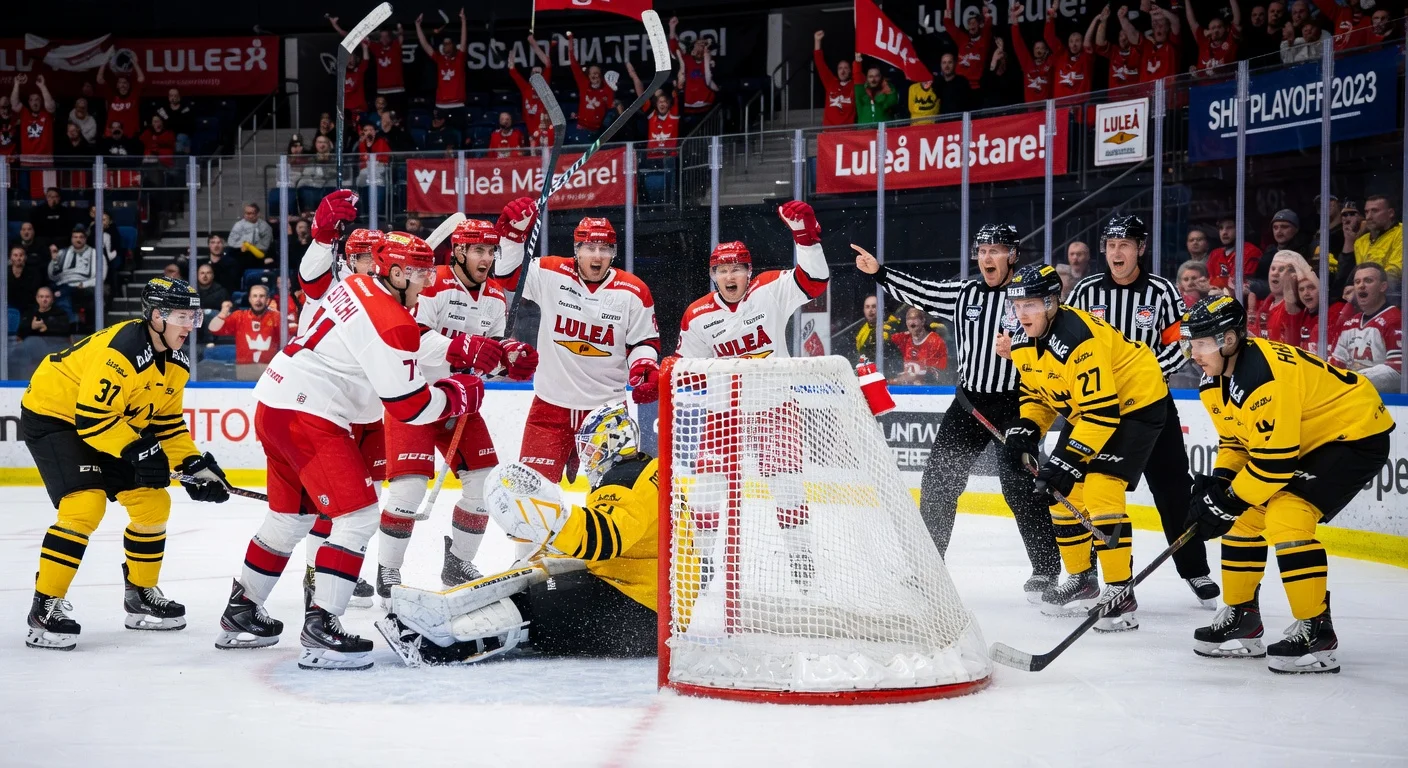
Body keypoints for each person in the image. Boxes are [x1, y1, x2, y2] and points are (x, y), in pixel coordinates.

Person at [217, 219, 486, 671]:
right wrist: (458, 394)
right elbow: (411, 406)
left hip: (276, 403)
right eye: (421, 274)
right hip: (310, 415)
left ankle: (241, 610)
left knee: (289, 518)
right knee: (357, 517)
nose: (428, 282)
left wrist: (460, 349)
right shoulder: (391, 320)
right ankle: (321, 629)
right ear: (396, 274)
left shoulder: (359, 285)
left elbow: (402, 339)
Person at [1181, 296, 1392, 673]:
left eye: (1200, 343)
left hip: (1353, 432)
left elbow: (1273, 466)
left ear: (1228, 340)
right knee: (1243, 519)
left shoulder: (1262, 378)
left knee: (1287, 514)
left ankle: (1317, 632)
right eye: (1190, 343)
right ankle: (1243, 619)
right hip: (1307, 439)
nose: (1193, 353)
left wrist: (1225, 502)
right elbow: (1236, 443)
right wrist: (1221, 485)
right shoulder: (1213, 380)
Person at [21, 277, 229, 651]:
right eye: (182, 317)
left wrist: (195, 465)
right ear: (156, 316)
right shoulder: (123, 351)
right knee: (85, 505)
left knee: (153, 503)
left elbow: (167, 424)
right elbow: (91, 421)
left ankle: (140, 595)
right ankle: (44, 607)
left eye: (194, 317)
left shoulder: (176, 361)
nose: (190, 326)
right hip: (56, 415)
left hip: (110, 422)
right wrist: (140, 451)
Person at [857, 224, 1060, 600]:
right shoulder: (966, 293)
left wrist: (1019, 349)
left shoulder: (1029, 297)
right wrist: (880, 272)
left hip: (1017, 404)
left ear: (1013, 255)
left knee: (1020, 487)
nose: (987, 258)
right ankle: (927, 569)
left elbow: (1053, 343)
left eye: (995, 250)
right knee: (938, 482)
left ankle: (1046, 570)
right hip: (969, 404)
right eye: (982, 251)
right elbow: (923, 291)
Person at [377, 404, 659, 665]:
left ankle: (441, 647)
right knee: (537, 571)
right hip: (646, 598)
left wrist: (555, 522)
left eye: (593, 448)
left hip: (637, 614)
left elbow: (603, 540)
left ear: (615, 442)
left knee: (535, 600)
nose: (588, 456)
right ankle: (445, 613)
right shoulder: (644, 470)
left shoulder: (625, 482)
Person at [374, 201, 542, 602]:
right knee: (409, 491)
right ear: (460, 251)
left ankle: (458, 561)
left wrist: (509, 359)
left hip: (460, 405)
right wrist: (462, 347)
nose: (487, 259)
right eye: (479, 250)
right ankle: (388, 569)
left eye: (492, 251)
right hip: (414, 398)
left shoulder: (496, 297)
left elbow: (488, 356)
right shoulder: (431, 284)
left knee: (484, 487)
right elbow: (411, 338)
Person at [1002, 263, 1171, 630]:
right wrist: (1027, 428)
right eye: (1016, 305)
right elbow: (1036, 393)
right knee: (1063, 492)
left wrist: (1065, 462)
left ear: (1051, 302)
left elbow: (1103, 415)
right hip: (1091, 411)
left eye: (1030, 305)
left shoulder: (1078, 339)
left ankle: (1121, 591)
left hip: (1135, 404)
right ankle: (1082, 579)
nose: (1021, 314)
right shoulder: (1022, 339)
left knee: (1099, 488)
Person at [674, 203, 830, 587]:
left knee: (787, 486)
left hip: (774, 405)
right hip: (722, 412)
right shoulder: (697, 314)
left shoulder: (770, 289)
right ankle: (702, 561)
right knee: (706, 491)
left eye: (737, 269)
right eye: (722, 270)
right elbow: (685, 367)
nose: (730, 276)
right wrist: (663, 373)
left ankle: (800, 556)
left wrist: (805, 238)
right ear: (713, 275)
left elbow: (815, 281)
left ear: (749, 271)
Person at [1067, 215, 1218, 607]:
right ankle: (1087, 575)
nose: (1116, 252)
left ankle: (1195, 569)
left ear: (1141, 248)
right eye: (1111, 245)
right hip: (1097, 406)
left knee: (1173, 488)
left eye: (1125, 245)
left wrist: (1143, 375)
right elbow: (1064, 341)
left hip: (1152, 405)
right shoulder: (1085, 291)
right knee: (1084, 490)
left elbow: (1182, 343)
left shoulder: (1161, 291)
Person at [494, 216, 660, 485]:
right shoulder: (550, 271)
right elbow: (507, 276)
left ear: (613, 253)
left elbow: (643, 342)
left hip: (607, 412)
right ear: (577, 250)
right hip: (549, 408)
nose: (597, 255)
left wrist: (644, 366)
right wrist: (512, 237)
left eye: (604, 248)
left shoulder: (634, 291)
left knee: (616, 494)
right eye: (589, 248)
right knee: (531, 491)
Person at [1329, 262, 1402, 392]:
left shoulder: (1395, 320)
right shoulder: (1350, 324)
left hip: (1384, 400)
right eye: (1357, 282)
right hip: (1353, 395)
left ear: (1383, 287)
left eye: (1368, 281)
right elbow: (1336, 363)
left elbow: (1397, 371)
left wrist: (1353, 379)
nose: (1361, 285)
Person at [208, 285, 282, 380]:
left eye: (261, 296)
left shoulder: (276, 317)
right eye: (255, 296)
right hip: (244, 370)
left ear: (267, 300)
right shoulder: (239, 316)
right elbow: (213, 329)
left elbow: (288, 338)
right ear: (250, 299)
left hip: (269, 372)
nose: (258, 299)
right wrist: (223, 313)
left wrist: (280, 316)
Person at [565, 30, 617, 138]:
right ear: (588, 75)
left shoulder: (607, 87)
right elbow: (573, 63)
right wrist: (570, 41)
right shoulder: (583, 83)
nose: (595, 76)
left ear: (601, 75)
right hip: (581, 130)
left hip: (597, 132)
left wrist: (612, 95)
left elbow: (610, 106)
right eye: (592, 73)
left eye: (597, 73)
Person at [416, 9, 468, 111]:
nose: (445, 45)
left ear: (453, 46)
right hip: (441, 104)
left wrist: (463, 20)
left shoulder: (459, 58)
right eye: (444, 44)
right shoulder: (440, 59)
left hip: (457, 104)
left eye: (448, 43)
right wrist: (417, 25)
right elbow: (425, 45)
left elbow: (463, 41)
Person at [48, 226, 98, 331]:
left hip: (83, 285)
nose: (78, 239)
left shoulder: (94, 253)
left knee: (65, 295)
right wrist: (54, 260)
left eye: (81, 237)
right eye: (75, 237)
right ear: (71, 239)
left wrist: (84, 284)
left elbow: (99, 277)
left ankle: (73, 325)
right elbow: (53, 276)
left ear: (85, 239)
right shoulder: (62, 253)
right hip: (63, 284)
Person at [669, 16, 719, 116]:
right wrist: (672, 27)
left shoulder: (710, 60)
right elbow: (674, 48)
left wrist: (707, 54)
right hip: (687, 107)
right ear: (693, 48)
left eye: (702, 45)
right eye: (697, 44)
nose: (700, 46)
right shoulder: (687, 59)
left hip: (706, 108)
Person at [1046, 4, 1096, 100]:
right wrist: (1050, 17)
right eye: (1071, 41)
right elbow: (1049, 37)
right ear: (1068, 44)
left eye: (1077, 41)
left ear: (1082, 43)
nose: (1074, 44)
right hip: (1061, 107)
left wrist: (1096, 19)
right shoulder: (1060, 55)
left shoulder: (1086, 57)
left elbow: (1088, 42)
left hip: (1081, 106)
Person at [1348, 194, 1402, 281]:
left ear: (1391, 213)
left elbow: (1396, 270)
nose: (1368, 217)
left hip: (1394, 285)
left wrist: (1370, 281)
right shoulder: (1360, 242)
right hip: (1367, 285)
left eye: (1375, 211)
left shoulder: (1402, 232)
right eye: (1366, 212)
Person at [890, 306, 949, 384]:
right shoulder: (903, 338)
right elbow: (885, 344)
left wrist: (915, 377)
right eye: (909, 319)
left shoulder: (935, 342)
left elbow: (938, 374)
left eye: (915, 318)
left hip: (928, 389)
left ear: (923, 321)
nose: (912, 323)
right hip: (904, 388)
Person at [941, 2, 994, 89]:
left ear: (979, 25)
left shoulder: (983, 41)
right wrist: (948, 9)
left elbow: (988, 26)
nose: (971, 25)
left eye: (974, 23)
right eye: (969, 23)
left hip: (974, 87)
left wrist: (987, 14)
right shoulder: (963, 40)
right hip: (957, 86)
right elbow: (949, 25)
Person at [514, 34, 555, 146]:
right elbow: (512, 71)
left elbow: (547, 63)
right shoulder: (525, 88)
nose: (536, 75)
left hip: (545, 132)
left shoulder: (544, 86)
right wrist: (511, 59)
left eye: (539, 73)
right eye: (534, 73)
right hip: (530, 134)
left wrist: (533, 43)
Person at [1009, 3, 1054, 103]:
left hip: (1047, 108)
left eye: (1041, 48)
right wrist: (1015, 24)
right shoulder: (1027, 64)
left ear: (1046, 51)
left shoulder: (1050, 63)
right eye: (1037, 48)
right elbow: (1018, 45)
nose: (1039, 50)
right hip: (1030, 109)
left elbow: (1052, 41)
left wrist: (1049, 20)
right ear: (1033, 51)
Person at [813, 30, 857, 126]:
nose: (842, 71)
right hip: (829, 131)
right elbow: (820, 64)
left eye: (845, 68)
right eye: (840, 68)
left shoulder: (855, 85)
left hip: (848, 131)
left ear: (850, 70)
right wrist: (817, 41)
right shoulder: (831, 82)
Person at [1207, 215, 1263, 290]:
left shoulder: (1251, 252)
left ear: (1240, 229)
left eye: (1229, 227)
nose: (1224, 232)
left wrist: (1215, 283)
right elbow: (1208, 281)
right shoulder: (1214, 254)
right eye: (1221, 228)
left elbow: (1240, 282)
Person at [11, 74, 57, 164]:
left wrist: (42, 86)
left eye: (37, 100)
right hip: (27, 161)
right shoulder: (24, 113)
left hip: (45, 162)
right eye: (31, 100)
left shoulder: (47, 114)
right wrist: (16, 84)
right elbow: (14, 104)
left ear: (41, 101)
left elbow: (51, 106)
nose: (34, 103)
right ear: (28, 102)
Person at [1095, 6, 1143, 93]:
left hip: (1136, 98)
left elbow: (1135, 37)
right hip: (1115, 99)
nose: (1123, 38)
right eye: (1120, 35)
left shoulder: (1139, 50)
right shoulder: (1114, 51)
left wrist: (1122, 17)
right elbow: (1100, 43)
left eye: (1126, 35)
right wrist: (1104, 20)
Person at [1186, 0, 1241, 76]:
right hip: (1203, 83)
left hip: (1226, 83)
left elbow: (1237, 21)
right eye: (1212, 28)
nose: (1215, 31)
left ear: (1226, 28)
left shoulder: (1231, 41)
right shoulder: (1203, 41)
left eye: (1219, 27)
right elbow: (1192, 22)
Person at [96, 55, 144, 139]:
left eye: (125, 83)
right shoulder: (111, 97)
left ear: (128, 85)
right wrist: (105, 62)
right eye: (120, 83)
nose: (122, 85)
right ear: (117, 86)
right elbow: (99, 79)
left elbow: (141, 78)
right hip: (111, 137)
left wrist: (133, 62)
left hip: (129, 137)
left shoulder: (133, 96)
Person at [8, 245, 45, 312]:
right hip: (9, 306)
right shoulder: (4, 272)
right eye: (15, 255)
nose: (18, 258)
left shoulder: (34, 273)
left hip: (28, 307)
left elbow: (33, 293)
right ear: (11, 257)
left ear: (25, 257)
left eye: (21, 255)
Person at [852, 294, 880, 364]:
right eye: (867, 307)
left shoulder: (891, 325)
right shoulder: (860, 330)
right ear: (864, 310)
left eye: (874, 306)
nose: (870, 310)